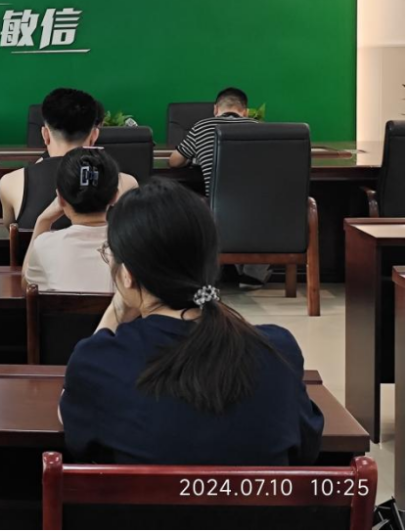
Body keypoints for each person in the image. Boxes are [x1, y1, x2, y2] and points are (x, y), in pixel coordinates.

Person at [60, 179, 323, 465]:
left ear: (127, 275)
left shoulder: (99, 361)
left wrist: (115, 313)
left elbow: (72, 420)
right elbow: (306, 448)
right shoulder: (278, 350)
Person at [167, 87, 266, 289]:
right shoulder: (260, 129)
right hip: (258, 212)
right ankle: (252, 274)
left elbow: (174, 161)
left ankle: (203, 273)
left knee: (199, 204)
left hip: (216, 208)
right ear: (245, 111)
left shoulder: (202, 127)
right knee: (257, 204)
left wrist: (197, 156)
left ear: (215, 109)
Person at [0, 88, 137, 229]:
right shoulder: (126, 184)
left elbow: (10, 235)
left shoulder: (10, 183)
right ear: (94, 136)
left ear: (45, 135)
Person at [23, 148, 118, 293]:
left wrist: (43, 221)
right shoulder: (136, 245)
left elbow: (27, 286)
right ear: (115, 197)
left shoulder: (45, 246)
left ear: (60, 199)